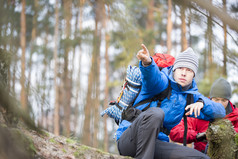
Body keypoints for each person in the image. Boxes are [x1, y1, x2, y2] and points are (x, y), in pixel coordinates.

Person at [116, 44, 226, 159]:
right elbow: (152, 77)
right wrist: (147, 63)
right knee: (156, 113)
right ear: (174, 69)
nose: (184, 73)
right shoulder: (162, 82)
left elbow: (220, 111)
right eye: (181, 68)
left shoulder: (190, 98)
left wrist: (202, 103)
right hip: (129, 140)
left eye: (189, 70)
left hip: (155, 144)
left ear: (193, 75)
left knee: (202, 158)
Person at [170, 77, 238, 153]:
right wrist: (198, 136)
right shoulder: (199, 110)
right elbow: (175, 132)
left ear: (228, 100)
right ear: (211, 98)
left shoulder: (236, 116)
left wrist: (226, 133)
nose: (219, 103)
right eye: (216, 99)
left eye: (223, 100)